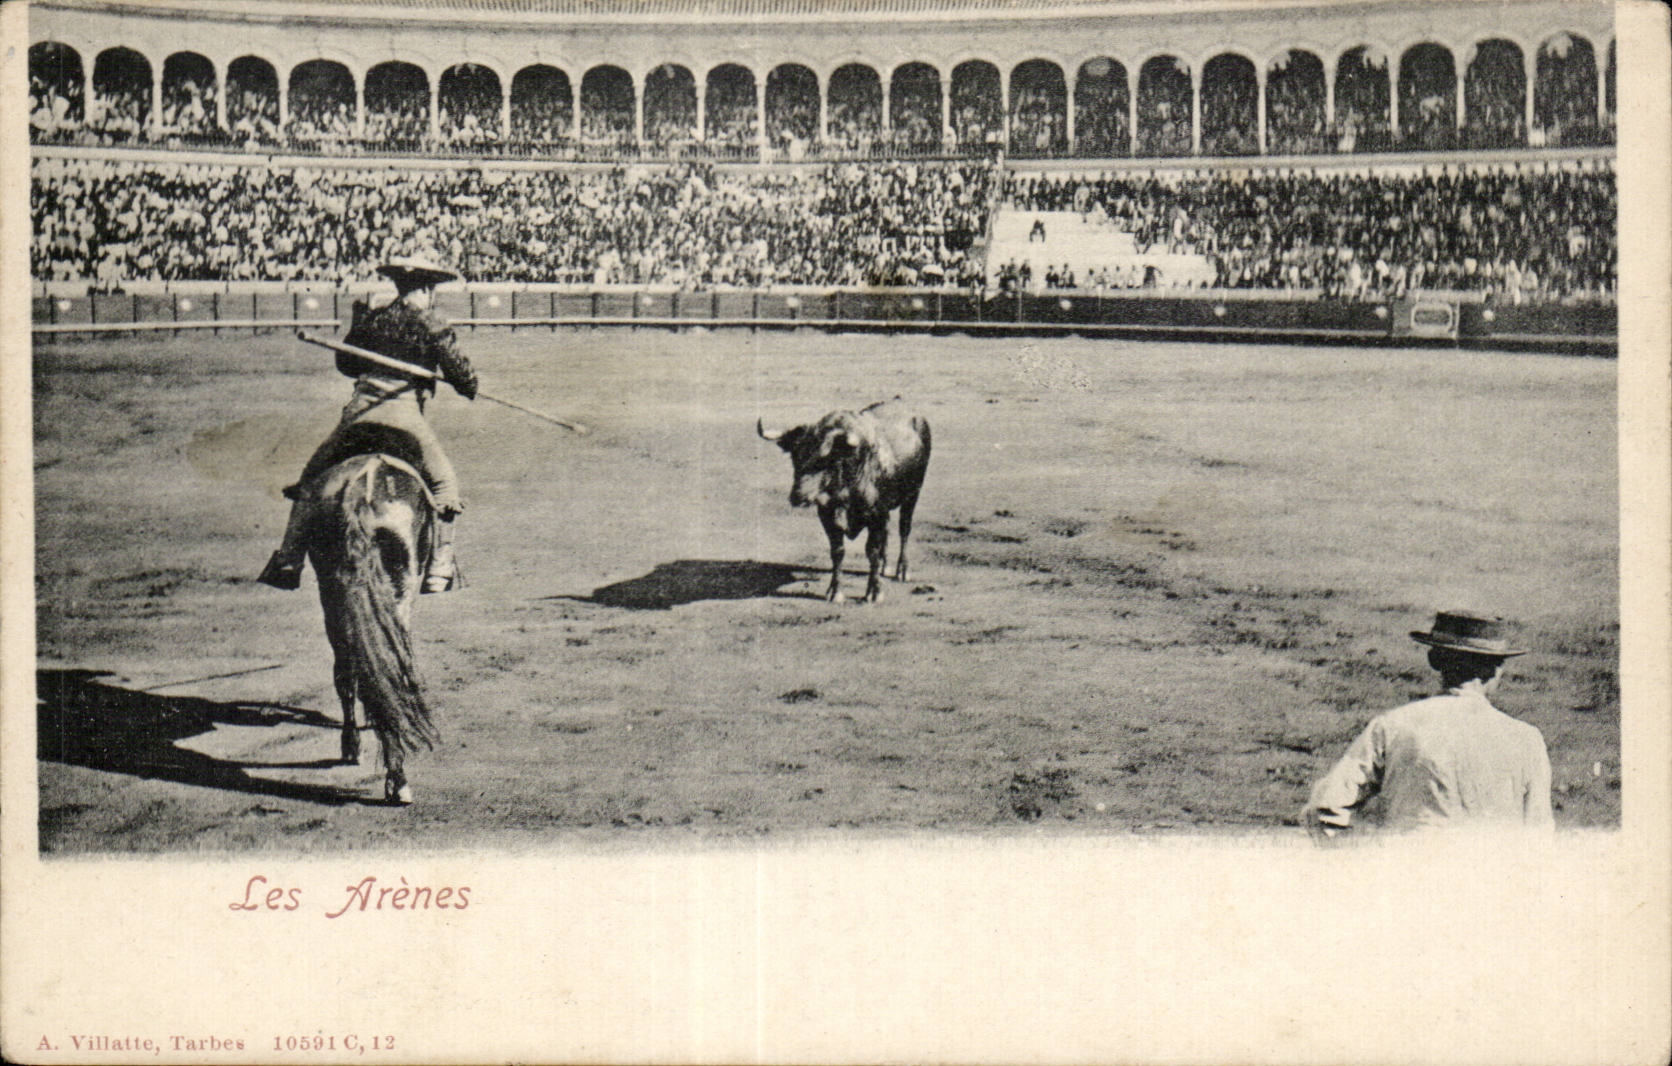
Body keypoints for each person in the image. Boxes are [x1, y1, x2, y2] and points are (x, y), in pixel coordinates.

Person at [258, 255, 477, 593]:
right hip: (404, 414)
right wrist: (466, 383)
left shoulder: (372, 320)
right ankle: (439, 567)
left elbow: (346, 364)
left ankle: (289, 559)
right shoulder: (433, 323)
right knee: (445, 484)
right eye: (431, 288)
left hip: (360, 412)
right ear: (424, 288)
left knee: (312, 477)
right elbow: (464, 379)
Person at [1303, 611, 1554, 841]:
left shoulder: (1394, 727)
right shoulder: (1526, 739)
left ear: (1435, 660)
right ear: (1496, 669)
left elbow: (1325, 808)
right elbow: (1538, 837)